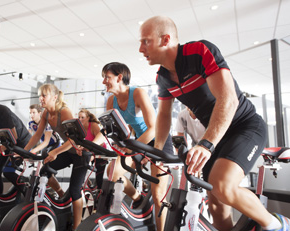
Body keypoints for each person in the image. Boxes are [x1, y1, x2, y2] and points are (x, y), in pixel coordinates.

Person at [139, 15, 290, 231]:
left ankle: (277, 224)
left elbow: (228, 99)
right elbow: (163, 115)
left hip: (244, 126)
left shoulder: (199, 52)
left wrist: (207, 144)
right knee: (216, 203)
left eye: (146, 41)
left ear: (165, 39)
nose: (141, 49)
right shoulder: (162, 78)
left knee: (223, 187)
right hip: (216, 137)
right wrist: (157, 151)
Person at [102, 62, 174, 231]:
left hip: (159, 141)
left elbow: (154, 127)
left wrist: (134, 147)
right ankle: (137, 198)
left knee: (158, 195)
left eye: (107, 77)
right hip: (137, 141)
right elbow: (112, 130)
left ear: (120, 78)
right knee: (113, 173)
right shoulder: (111, 101)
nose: (104, 81)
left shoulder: (138, 93)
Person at [24, 84, 96, 230]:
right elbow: (38, 134)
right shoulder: (45, 113)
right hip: (69, 151)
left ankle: (77, 226)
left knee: (75, 191)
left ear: (55, 97)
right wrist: (24, 150)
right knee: (45, 170)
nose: (41, 98)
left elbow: (74, 139)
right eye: (40, 95)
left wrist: (56, 152)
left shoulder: (64, 112)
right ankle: (61, 195)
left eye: (44, 95)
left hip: (81, 152)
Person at [78, 108, 107, 189]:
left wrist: (90, 151)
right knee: (82, 174)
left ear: (88, 118)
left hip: (100, 151)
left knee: (99, 179)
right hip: (90, 151)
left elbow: (100, 142)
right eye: (79, 117)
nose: (80, 119)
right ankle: (88, 186)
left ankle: (99, 197)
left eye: (82, 117)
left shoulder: (93, 125)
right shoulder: (80, 128)